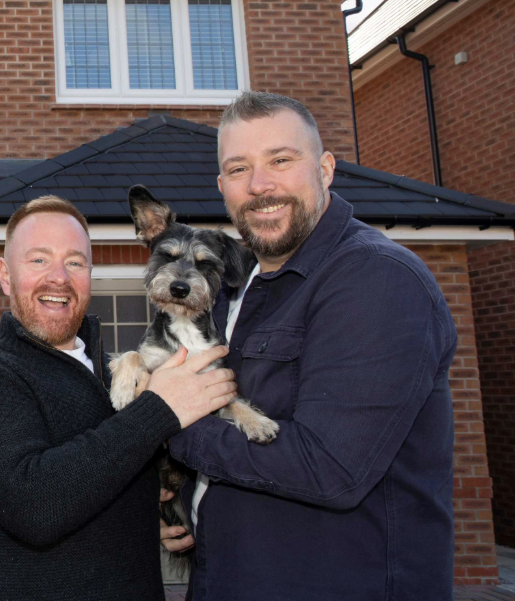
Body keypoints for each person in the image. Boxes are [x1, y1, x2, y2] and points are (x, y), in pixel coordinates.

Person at [169, 91, 457, 600]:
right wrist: (187, 502)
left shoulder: (376, 279)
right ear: (222, 187)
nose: (259, 185)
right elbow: (231, 425)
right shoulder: (234, 289)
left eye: (281, 160)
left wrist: (165, 424)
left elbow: (330, 469)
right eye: (239, 170)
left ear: (325, 169)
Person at [0, 195, 238, 601]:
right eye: (39, 260)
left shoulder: (110, 372)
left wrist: (150, 512)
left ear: (89, 275)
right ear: (6, 276)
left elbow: (101, 474)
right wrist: (159, 409)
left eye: (75, 262)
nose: (58, 277)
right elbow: (36, 506)